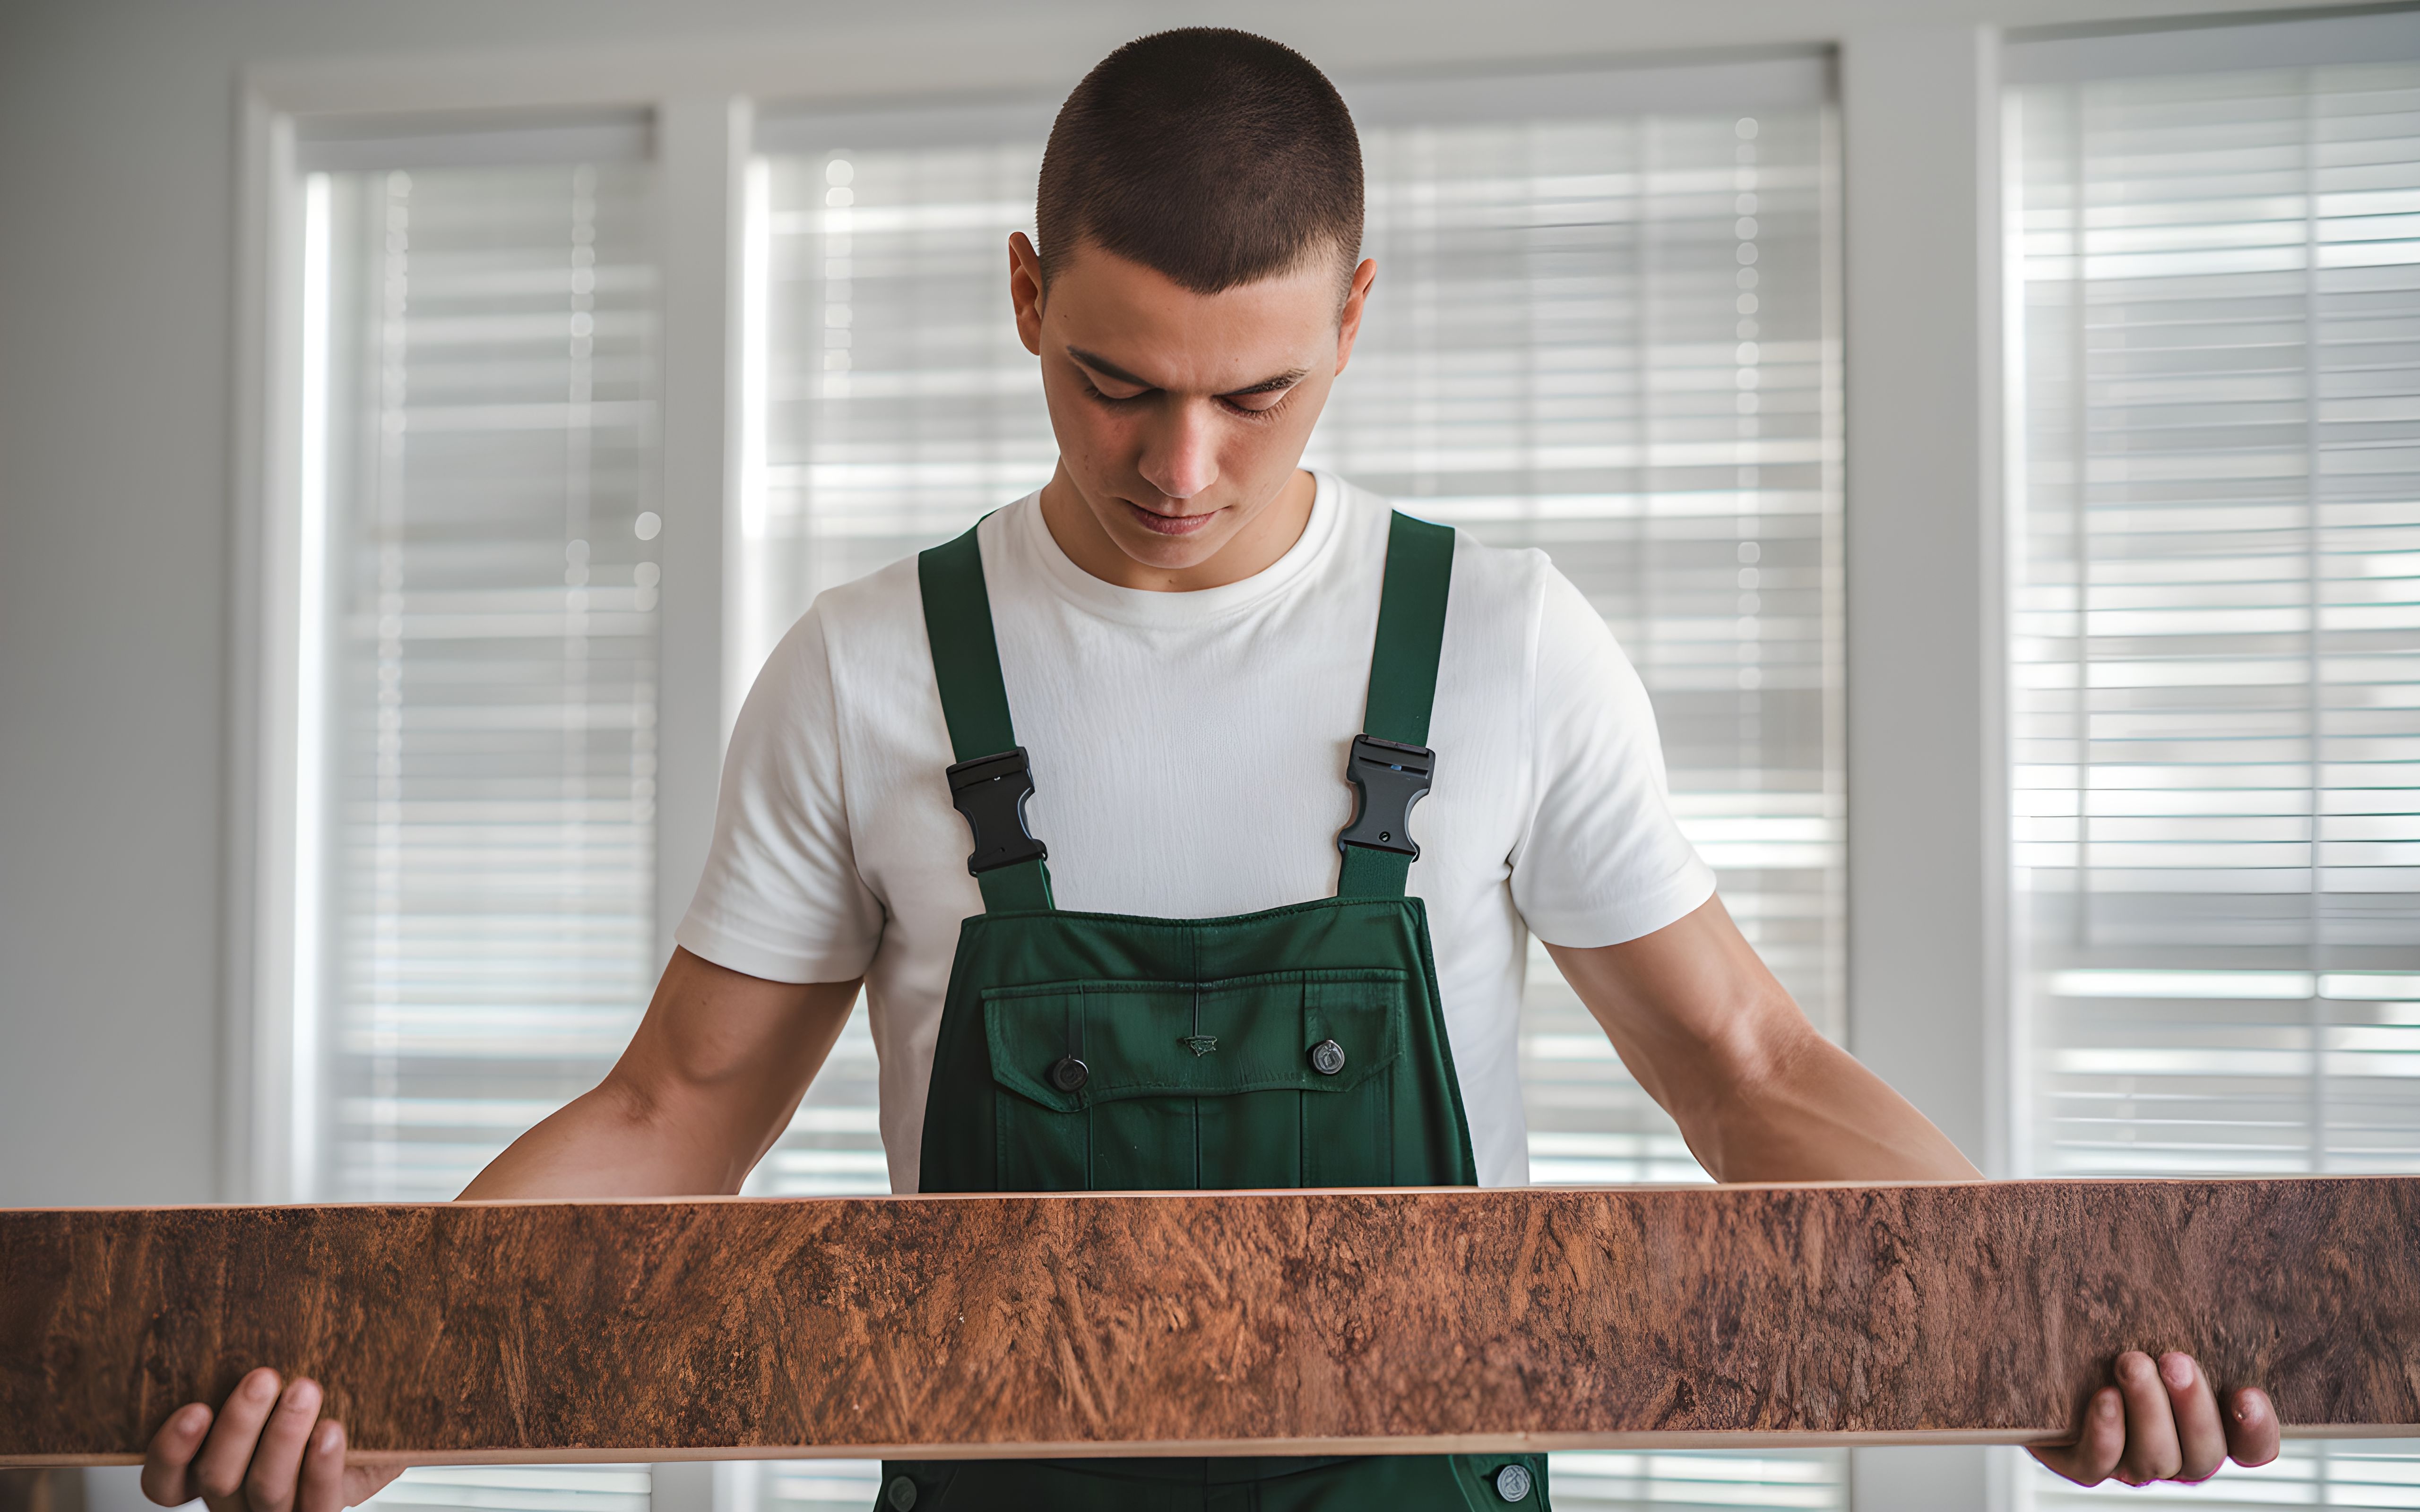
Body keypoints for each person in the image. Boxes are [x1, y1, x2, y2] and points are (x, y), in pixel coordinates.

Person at [143, 28, 2282, 1512]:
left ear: (1352, 315)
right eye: (1113, 385)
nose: (1180, 467)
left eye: (1252, 394)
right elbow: (673, 1110)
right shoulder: (868, 668)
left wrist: (2044, 1328)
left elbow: (1744, 1064)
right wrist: (379, 1378)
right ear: (1018, 295)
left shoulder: (1506, 642)